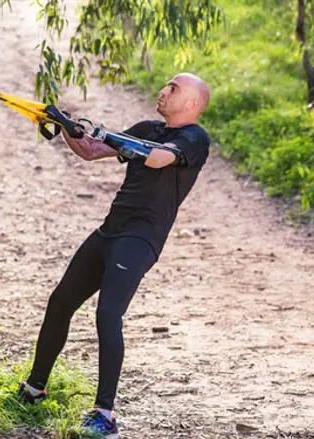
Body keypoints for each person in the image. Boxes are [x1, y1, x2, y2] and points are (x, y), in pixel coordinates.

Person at [17, 73, 212, 439]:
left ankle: (104, 415)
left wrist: (110, 136)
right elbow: (91, 151)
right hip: (110, 231)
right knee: (60, 303)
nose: (164, 90)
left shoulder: (193, 138)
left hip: (140, 240)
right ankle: (34, 388)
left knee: (108, 314)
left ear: (191, 104)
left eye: (173, 88)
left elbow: (156, 160)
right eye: (165, 84)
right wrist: (64, 126)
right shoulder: (146, 128)